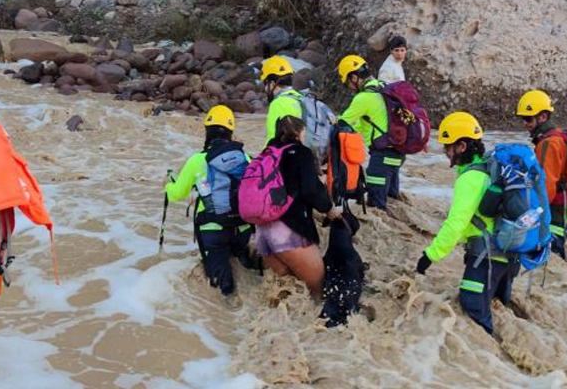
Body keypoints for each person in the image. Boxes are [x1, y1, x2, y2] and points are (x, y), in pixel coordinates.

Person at [415, 112, 519, 335]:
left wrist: (430, 256)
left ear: (461, 146)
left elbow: (456, 223)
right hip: (507, 257)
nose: (444, 152)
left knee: (473, 316)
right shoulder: (487, 170)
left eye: (447, 146)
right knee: (499, 312)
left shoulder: (470, 179)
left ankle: (490, 366)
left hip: (486, 258)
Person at [165, 106, 257, 299]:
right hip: (243, 228)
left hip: (211, 230)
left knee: (222, 288)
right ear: (231, 133)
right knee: (251, 272)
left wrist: (167, 186)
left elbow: (177, 194)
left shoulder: (197, 160)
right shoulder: (244, 157)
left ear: (207, 131)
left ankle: (225, 311)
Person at [256, 115, 336, 295]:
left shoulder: (266, 154)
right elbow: (310, 190)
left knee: (285, 293)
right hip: (289, 233)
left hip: (263, 234)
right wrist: (329, 209)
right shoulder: (301, 153)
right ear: (299, 134)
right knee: (318, 294)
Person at [337, 55, 403, 210]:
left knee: (376, 206)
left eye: (348, 82)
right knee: (393, 200)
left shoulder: (364, 98)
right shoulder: (384, 86)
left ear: (354, 77)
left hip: (381, 157)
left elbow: (342, 123)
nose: (349, 87)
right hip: (397, 153)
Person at [516, 90, 567, 259]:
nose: (524, 123)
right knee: (554, 250)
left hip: (560, 206)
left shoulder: (548, 144)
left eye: (528, 118)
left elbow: (545, 186)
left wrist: (533, 213)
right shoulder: (557, 137)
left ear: (542, 117)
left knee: (552, 253)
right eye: (523, 119)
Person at [261, 56, 302, 142]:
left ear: (271, 84)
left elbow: (272, 141)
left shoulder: (278, 104)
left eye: (265, 84)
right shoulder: (301, 98)